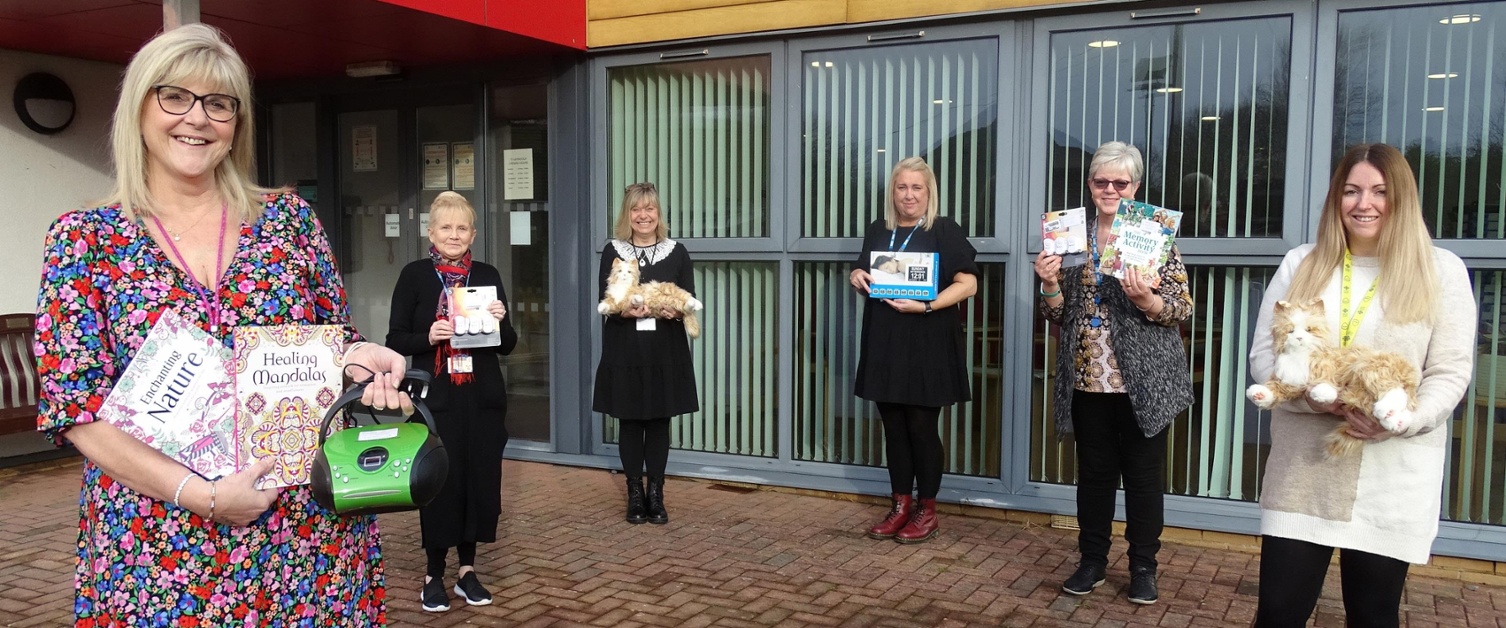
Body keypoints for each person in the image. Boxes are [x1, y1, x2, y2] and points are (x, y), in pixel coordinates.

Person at [33, 24, 411, 625]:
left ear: (237, 122)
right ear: (138, 108)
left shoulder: (288, 221)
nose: (197, 118)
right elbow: (77, 409)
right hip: (158, 542)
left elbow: (333, 339)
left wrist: (364, 357)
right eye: (174, 96)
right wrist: (204, 497)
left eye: (219, 103)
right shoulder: (86, 241)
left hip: (304, 533)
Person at [1248, 143, 1475, 626]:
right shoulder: (1302, 263)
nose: (1363, 203)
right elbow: (1264, 356)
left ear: (1403, 199)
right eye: (1351, 191)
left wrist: (1404, 421)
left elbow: (1450, 371)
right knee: (1278, 615)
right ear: (1336, 199)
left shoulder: (1442, 270)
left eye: (1379, 191)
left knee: (1373, 617)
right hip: (1304, 474)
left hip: (1390, 479)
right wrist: (1315, 399)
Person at [1033, 141, 1193, 605]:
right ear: (1090, 184)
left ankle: (1144, 566)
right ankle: (1092, 561)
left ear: (1135, 187)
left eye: (1120, 182)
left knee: (1143, 478)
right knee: (1095, 476)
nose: (1109, 189)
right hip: (1087, 378)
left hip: (1144, 381)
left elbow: (1181, 308)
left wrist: (1148, 300)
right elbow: (1058, 315)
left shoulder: (1153, 234)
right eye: (1101, 181)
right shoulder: (1068, 234)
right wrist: (1047, 285)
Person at [386, 191, 518, 612]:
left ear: (473, 233)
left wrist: (500, 321)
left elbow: (509, 345)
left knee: (479, 482)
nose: (454, 235)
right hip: (437, 398)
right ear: (431, 232)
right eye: (446, 227)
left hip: (481, 398)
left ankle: (466, 570)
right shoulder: (414, 276)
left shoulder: (487, 274)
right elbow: (395, 339)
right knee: (440, 483)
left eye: (462, 228)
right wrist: (428, 336)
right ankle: (433, 573)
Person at [849, 157, 978, 545]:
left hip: (927, 341)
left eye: (916, 188)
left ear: (928, 192)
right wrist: (856, 276)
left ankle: (927, 510)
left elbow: (968, 283)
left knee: (921, 428)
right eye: (902, 187)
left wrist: (927, 305)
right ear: (893, 191)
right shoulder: (879, 230)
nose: (908, 195)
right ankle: (900, 505)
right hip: (885, 341)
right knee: (893, 428)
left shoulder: (943, 230)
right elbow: (861, 271)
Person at [592, 182, 699, 525]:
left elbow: (688, 297)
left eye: (649, 209)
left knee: (658, 421)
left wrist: (676, 312)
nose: (643, 215)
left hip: (664, 348)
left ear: (658, 214)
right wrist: (625, 312)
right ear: (628, 214)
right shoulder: (614, 251)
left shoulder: (677, 251)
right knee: (630, 420)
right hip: (625, 348)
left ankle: (657, 493)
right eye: (636, 209)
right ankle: (634, 494)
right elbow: (605, 301)